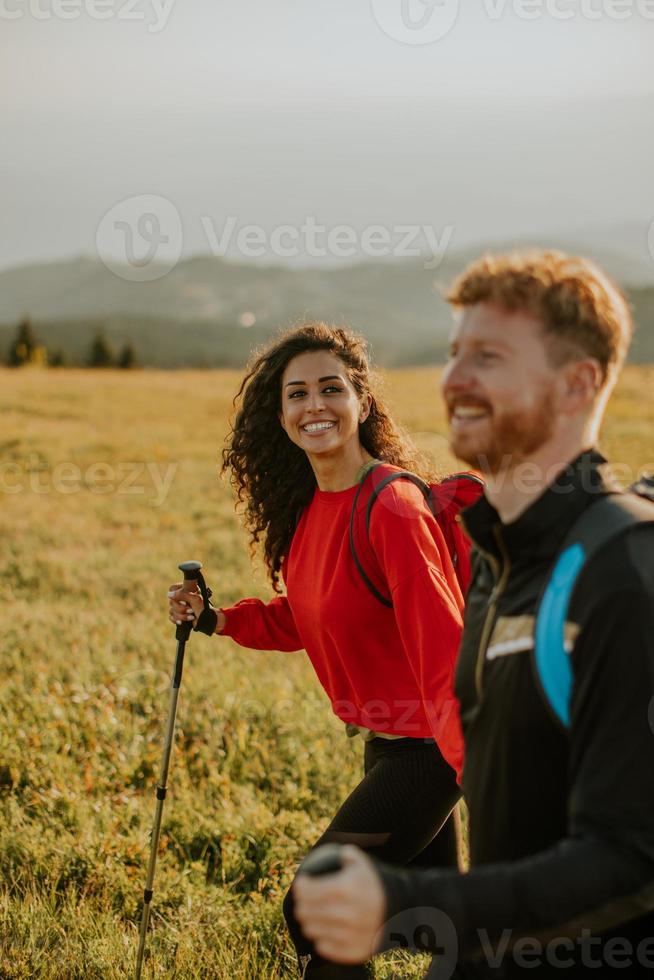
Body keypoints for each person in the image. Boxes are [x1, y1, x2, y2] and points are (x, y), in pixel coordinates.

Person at [293, 251, 654, 977]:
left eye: (488, 357)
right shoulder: (495, 562)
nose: (454, 379)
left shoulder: (623, 571)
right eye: (455, 352)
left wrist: (400, 906)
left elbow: (631, 859)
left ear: (579, 383)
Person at [167, 322, 467, 978]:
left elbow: (445, 647)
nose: (315, 406)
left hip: (431, 752)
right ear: (279, 416)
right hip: (389, 744)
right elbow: (307, 619)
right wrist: (216, 617)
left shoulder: (392, 508)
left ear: (361, 399)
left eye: (331, 388)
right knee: (442, 932)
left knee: (316, 908)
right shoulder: (312, 513)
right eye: (296, 394)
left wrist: (485, 770)